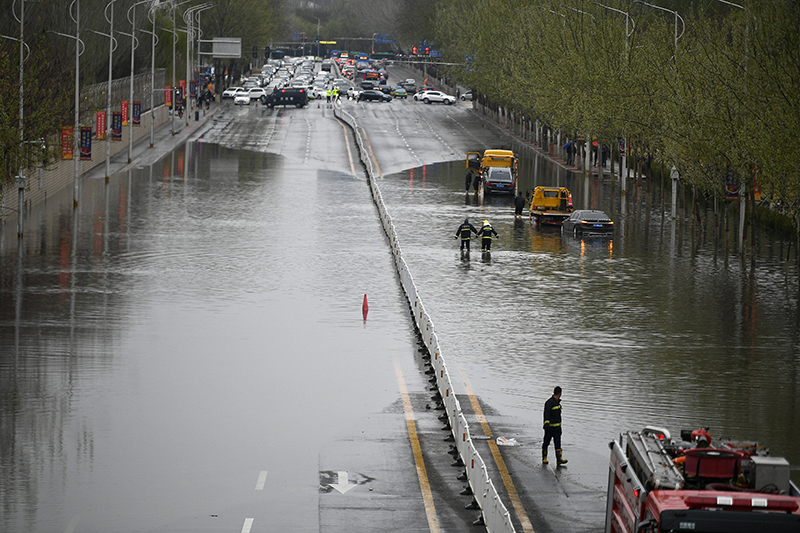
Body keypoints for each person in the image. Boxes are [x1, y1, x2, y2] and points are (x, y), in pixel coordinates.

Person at [542, 386, 567, 465]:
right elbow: (546, 413)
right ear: (560, 394)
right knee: (546, 442)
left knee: (558, 443)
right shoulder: (549, 402)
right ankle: (544, 458)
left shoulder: (557, 403)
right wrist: (546, 424)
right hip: (549, 428)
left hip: (557, 429)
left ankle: (559, 459)